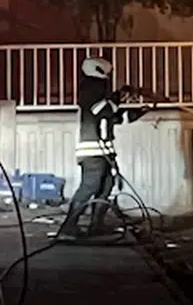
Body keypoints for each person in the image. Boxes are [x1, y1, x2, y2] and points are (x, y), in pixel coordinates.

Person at [64, 56, 152, 236]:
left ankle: (96, 225)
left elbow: (116, 117)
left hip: (104, 151)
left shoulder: (99, 90)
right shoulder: (90, 87)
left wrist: (144, 109)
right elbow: (102, 109)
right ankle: (69, 225)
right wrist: (119, 95)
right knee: (90, 186)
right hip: (93, 151)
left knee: (106, 185)